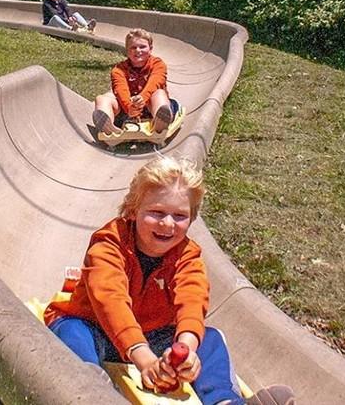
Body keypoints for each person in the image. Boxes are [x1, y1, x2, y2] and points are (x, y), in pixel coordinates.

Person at [44, 157, 294, 405]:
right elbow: (111, 301)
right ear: (133, 210)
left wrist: (185, 352)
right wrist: (144, 358)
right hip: (96, 327)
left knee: (210, 338)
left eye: (179, 216)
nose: (167, 224)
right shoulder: (109, 244)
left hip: (154, 336)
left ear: (192, 218)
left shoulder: (187, 255)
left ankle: (224, 401)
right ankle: (90, 388)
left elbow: (192, 299)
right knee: (71, 331)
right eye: (156, 212)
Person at [93, 28, 173, 135]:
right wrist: (130, 107)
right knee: (103, 98)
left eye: (142, 47)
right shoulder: (118, 70)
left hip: (152, 107)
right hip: (128, 110)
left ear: (150, 48)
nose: (138, 51)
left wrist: (142, 98)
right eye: (133, 47)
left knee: (159, 93)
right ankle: (109, 128)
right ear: (127, 51)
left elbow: (156, 82)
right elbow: (120, 89)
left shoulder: (158, 64)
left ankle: (160, 123)